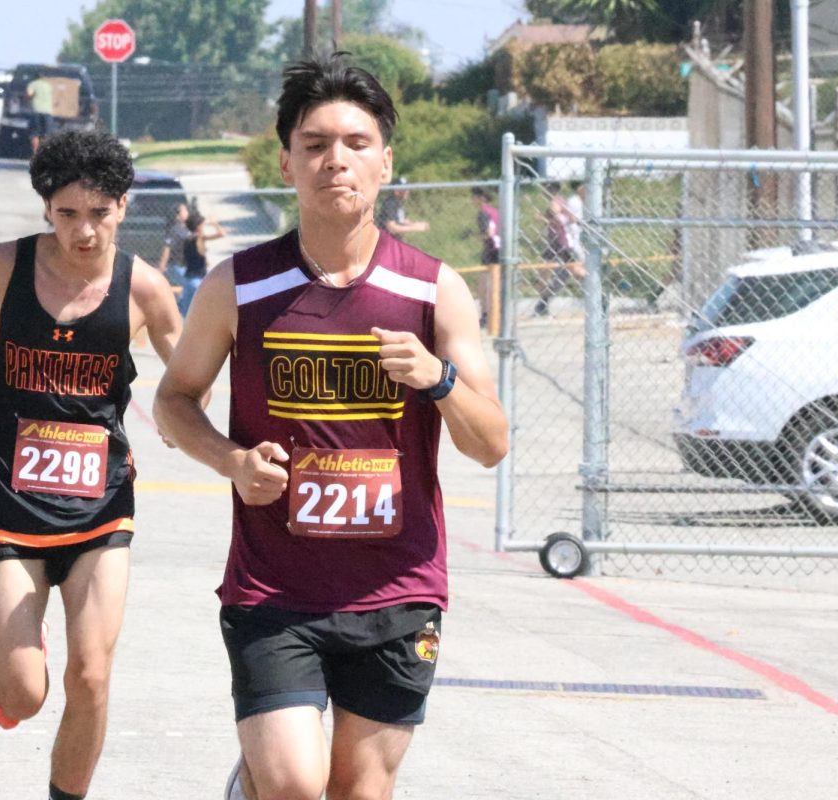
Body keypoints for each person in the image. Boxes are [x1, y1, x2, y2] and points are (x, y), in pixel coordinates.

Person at [152, 53, 508, 800]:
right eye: (314, 145)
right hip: (273, 588)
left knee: (357, 792)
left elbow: (490, 443)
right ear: (287, 162)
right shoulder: (240, 286)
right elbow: (174, 401)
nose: (334, 161)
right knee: (293, 786)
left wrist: (437, 379)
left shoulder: (433, 289)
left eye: (354, 143)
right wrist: (232, 461)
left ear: (385, 161)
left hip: (399, 589)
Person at [0, 129, 183, 800]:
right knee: (26, 694)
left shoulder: (145, 290)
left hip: (100, 510)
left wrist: (203, 423)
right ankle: (9, 666)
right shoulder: (6, 267)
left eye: (98, 214)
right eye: (68, 214)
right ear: (46, 210)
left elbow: (191, 380)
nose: (84, 231)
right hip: (7, 503)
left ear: (123, 207)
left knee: (91, 674)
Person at [535, 180, 587, 317]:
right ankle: (542, 305)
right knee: (553, 276)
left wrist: (543, 219)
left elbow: (559, 220)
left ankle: (596, 288)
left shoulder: (556, 202)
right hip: (556, 243)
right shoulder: (561, 201)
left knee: (574, 271)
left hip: (561, 243)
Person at [179, 210, 226, 317]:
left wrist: (203, 260)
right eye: (202, 225)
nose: (203, 228)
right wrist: (215, 223)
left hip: (188, 279)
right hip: (199, 280)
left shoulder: (187, 240)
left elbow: (185, 260)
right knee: (204, 312)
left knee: (186, 313)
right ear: (198, 227)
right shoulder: (200, 239)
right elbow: (222, 233)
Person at [472, 187, 500, 327]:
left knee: (484, 284)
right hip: (501, 249)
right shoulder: (496, 211)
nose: (473, 199)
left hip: (491, 249)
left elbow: (488, 233)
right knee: (495, 283)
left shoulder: (483, 212)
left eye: (475, 196)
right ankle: (495, 314)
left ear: (482, 198)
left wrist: (474, 236)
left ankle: (485, 315)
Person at [376, 174, 429, 239]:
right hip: (388, 241)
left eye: (407, 188)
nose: (407, 191)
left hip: (396, 241)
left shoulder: (398, 203)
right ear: (396, 191)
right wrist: (415, 228)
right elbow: (392, 228)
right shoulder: (390, 204)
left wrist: (417, 224)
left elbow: (403, 220)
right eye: (403, 189)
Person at [155, 201, 191, 291]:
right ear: (177, 215)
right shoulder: (174, 230)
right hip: (177, 266)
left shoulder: (186, 228)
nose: (187, 212)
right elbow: (167, 249)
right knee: (188, 286)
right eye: (184, 210)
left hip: (186, 265)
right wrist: (161, 268)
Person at [27, 76, 54, 155]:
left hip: (36, 111)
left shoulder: (33, 84)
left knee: (35, 133)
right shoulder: (48, 85)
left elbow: (29, 94)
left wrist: (27, 99)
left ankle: (35, 153)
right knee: (47, 134)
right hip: (48, 112)